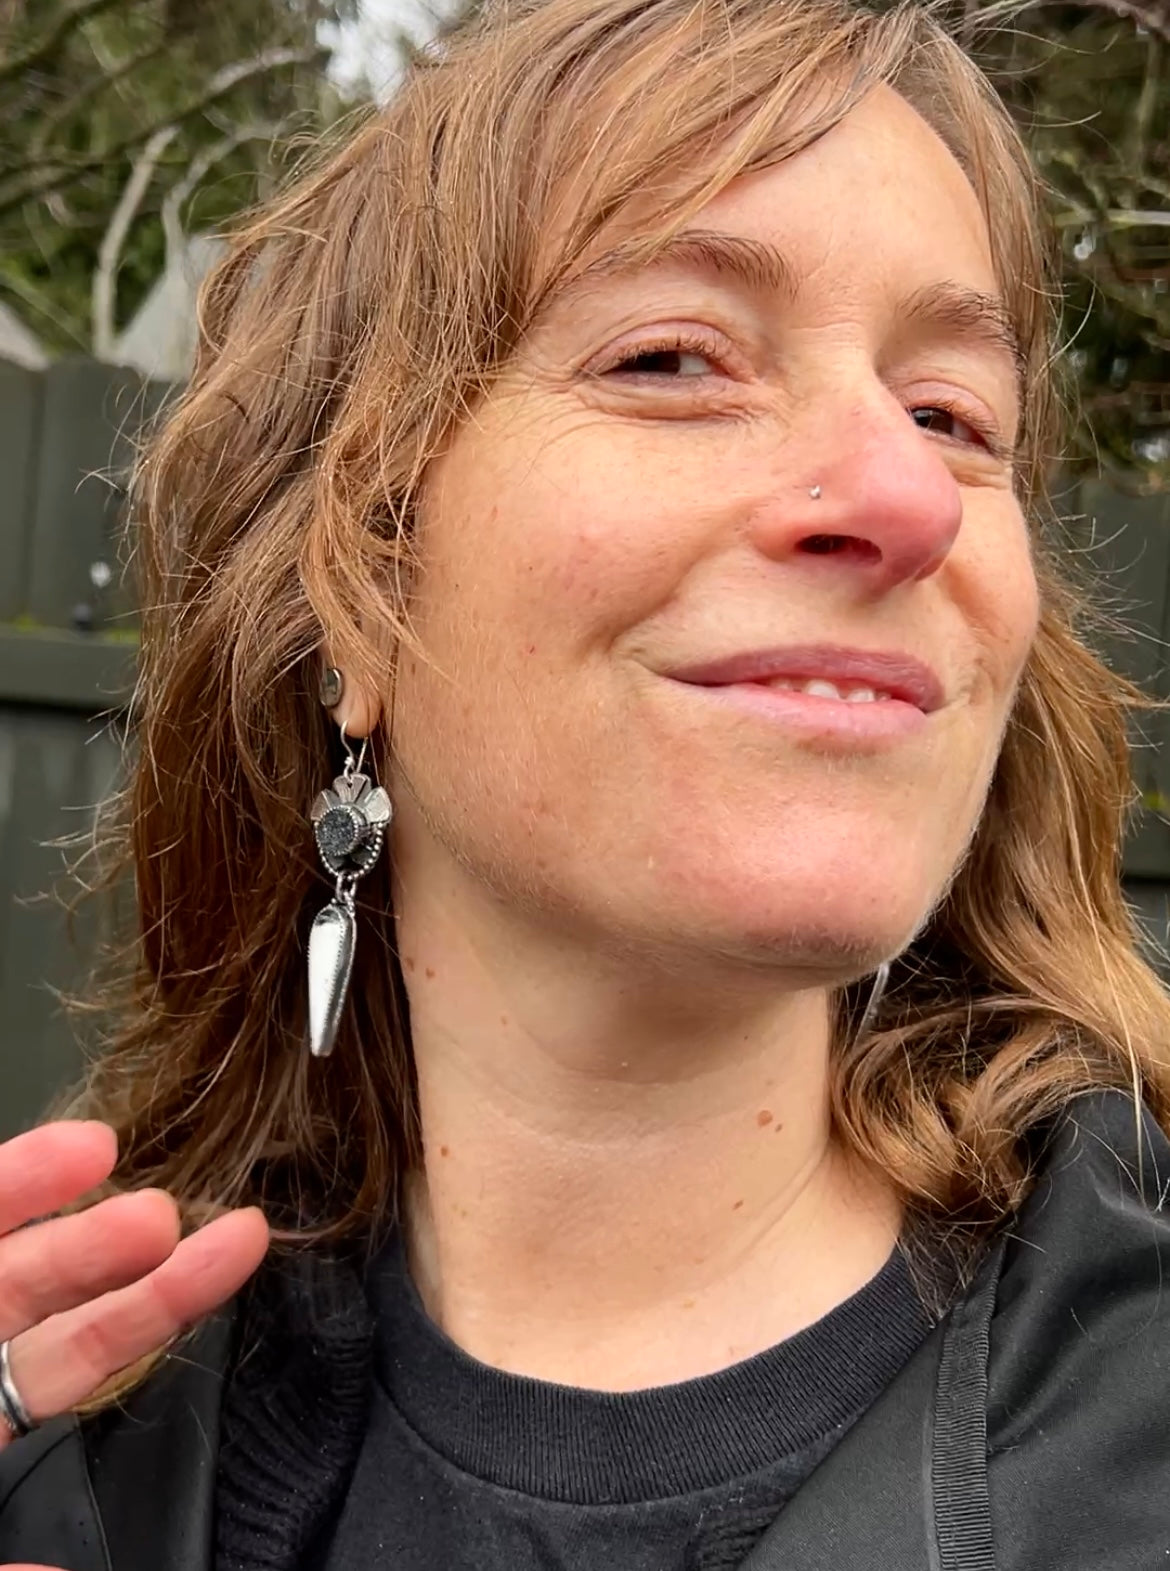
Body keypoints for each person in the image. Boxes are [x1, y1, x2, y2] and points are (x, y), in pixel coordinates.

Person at [2, 0, 1169, 1565]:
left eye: (951, 415)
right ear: (353, 603)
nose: (906, 495)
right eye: (673, 357)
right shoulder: (84, 1442)